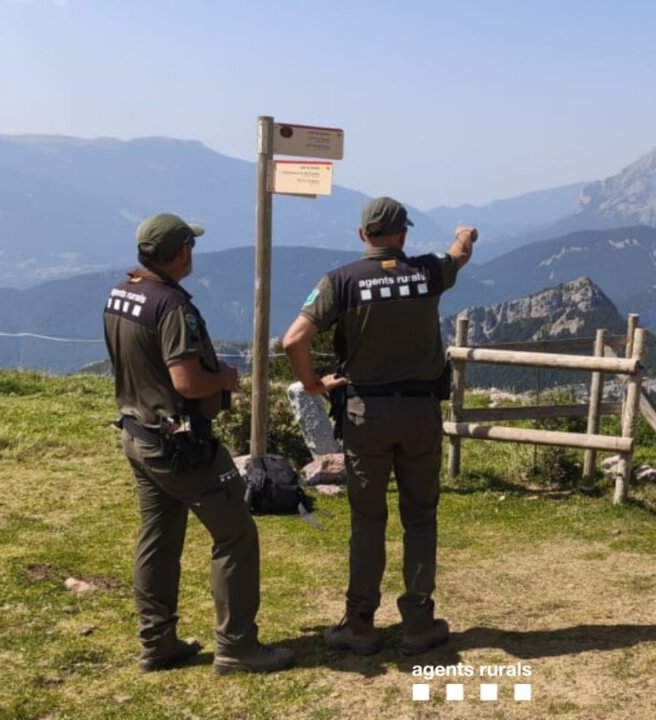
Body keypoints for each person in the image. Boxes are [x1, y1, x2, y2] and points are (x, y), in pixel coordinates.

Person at [282, 197, 476, 656]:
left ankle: (360, 624)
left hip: (364, 414)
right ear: (403, 235)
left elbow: (293, 340)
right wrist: (464, 234)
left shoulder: (340, 282)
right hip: (420, 412)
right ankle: (418, 622)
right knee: (420, 517)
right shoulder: (428, 272)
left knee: (368, 520)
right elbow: (459, 254)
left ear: (361, 234)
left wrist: (313, 384)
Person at [103, 212, 294, 675]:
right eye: (191, 245)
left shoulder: (122, 294)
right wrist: (224, 378)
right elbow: (187, 382)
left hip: (137, 433)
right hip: (180, 444)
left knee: (158, 537)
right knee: (236, 534)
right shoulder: (172, 306)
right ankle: (237, 646)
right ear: (182, 251)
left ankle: (157, 642)